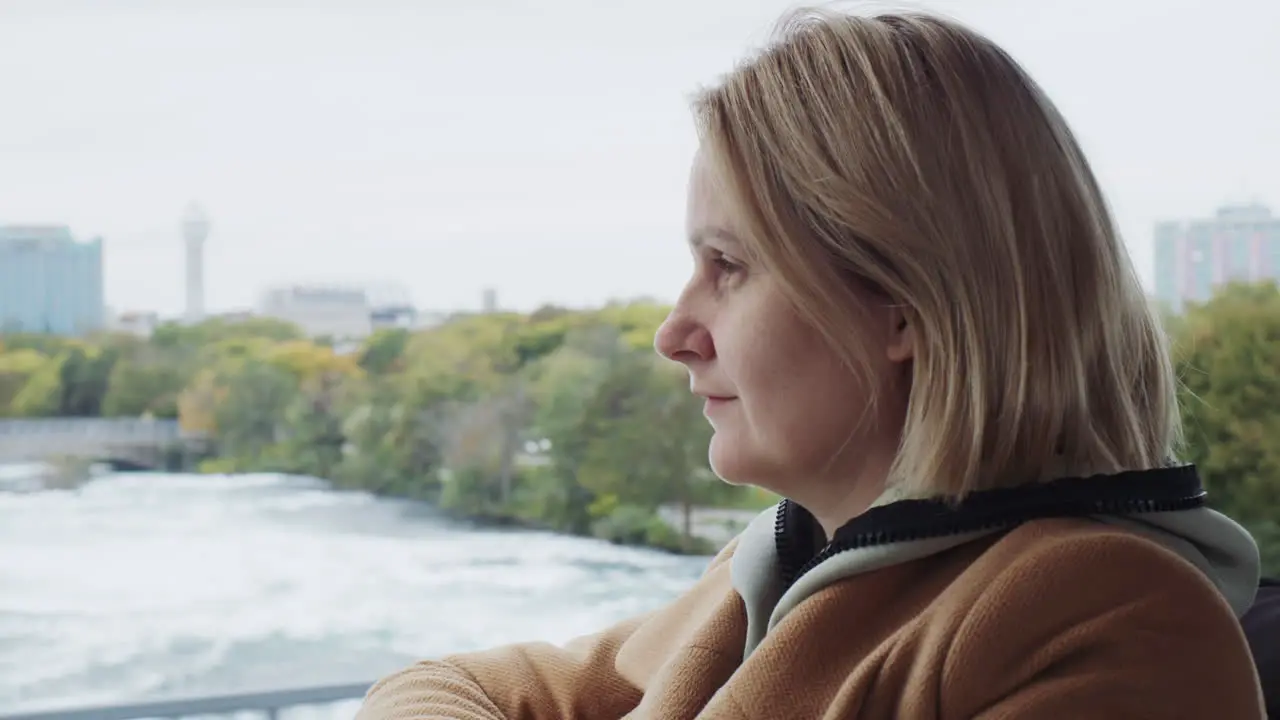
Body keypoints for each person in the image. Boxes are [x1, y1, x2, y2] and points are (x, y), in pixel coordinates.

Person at [358, 8, 1266, 719]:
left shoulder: (1098, 617)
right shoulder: (775, 564)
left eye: (730, 266)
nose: (675, 331)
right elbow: (448, 688)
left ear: (906, 304)